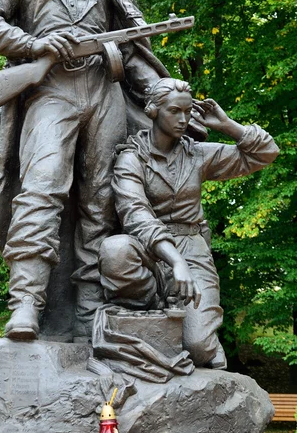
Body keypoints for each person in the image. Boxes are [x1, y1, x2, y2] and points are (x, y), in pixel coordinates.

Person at [0, 0, 186, 341]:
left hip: (104, 92)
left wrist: (160, 94)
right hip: (50, 92)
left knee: (101, 201)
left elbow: (134, 47)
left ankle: (90, 308)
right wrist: (33, 44)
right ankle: (26, 303)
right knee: (41, 189)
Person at [98, 78, 279, 368]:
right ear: (153, 111)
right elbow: (135, 214)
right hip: (150, 253)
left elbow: (266, 154)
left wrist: (227, 124)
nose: (183, 119)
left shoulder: (197, 154)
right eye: (174, 111)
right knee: (115, 250)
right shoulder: (132, 158)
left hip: (192, 251)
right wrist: (174, 261)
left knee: (199, 348)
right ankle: (151, 307)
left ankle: (189, 324)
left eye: (187, 111)